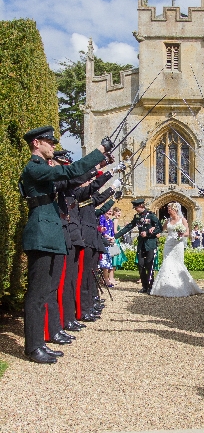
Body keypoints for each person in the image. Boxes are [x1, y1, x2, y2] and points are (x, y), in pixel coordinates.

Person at [21, 125, 113, 363]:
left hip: (50, 234)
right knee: (37, 293)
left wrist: (100, 166)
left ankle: (41, 341)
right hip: (41, 234)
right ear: (36, 144)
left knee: (47, 290)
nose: (53, 146)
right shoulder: (34, 168)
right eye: (48, 142)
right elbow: (70, 171)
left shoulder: (44, 171)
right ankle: (32, 347)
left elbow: (73, 178)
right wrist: (99, 151)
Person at [150, 202, 204, 297]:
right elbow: (160, 229)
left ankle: (180, 287)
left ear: (175, 210)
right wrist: (154, 229)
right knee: (167, 262)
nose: (168, 211)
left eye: (169, 209)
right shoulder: (168, 221)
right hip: (169, 244)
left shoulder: (182, 220)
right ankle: (164, 288)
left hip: (178, 245)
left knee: (178, 264)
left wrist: (181, 235)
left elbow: (188, 232)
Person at [114, 199, 162, 294]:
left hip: (150, 243)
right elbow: (129, 227)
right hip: (141, 244)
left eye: (136, 207)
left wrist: (148, 233)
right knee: (140, 264)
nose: (135, 209)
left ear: (141, 205)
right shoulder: (137, 217)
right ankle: (144, 286)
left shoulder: (151, 215)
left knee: (149, 265)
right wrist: (115, 236)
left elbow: (159, 228)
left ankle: (150, 287)